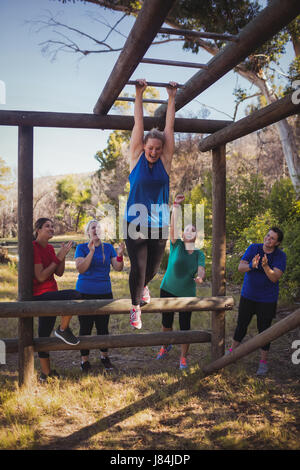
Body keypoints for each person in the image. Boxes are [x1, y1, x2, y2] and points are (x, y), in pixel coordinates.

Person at [124, 78, 178, 330]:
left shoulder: (165, 162)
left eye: (158, 148)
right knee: (139, 265)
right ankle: (135, 308)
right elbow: (138, 123)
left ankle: (143, 287)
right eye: (151, 147)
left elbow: (169, 129)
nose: (154, 151)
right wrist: (138, 93)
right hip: (135, 221)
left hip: (159, 223)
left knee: (154, 268)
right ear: (144, 146)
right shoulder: (136, 158)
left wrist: (171, 97)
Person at [156, 194, 206, 370]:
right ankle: (165, 346)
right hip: (168, 289)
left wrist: (200, 276)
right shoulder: (176, 244)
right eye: (187, 230)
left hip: (187, 295)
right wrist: (176, 206)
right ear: (183, 234)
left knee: (185, 327)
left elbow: (201, 268)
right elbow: (173, 227)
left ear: (196, 235)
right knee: (166, 323)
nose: (189, 232)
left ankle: (183, 357)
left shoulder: (199, 254)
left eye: (193, 230)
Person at [228, 227, 286, 376]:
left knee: (264, 330)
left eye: (272, 238)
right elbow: (241, 267)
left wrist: (265, 266)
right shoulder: (254, 248)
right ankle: (231, 354)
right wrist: (252, 266)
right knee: (241, 324)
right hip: (248, 295)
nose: (268, 239)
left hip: (267, 299)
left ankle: (263, 362)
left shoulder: (280, 256)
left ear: (277, 242)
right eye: (268, 236)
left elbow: (274, 277)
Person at [33, 218, 81, 383]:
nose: (51, 228)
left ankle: (45, 374)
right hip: (39, 296)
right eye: (48, 226)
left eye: (53, 226)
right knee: (75, 295)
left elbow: (59, 273)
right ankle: (62, 329)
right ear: (38, 229)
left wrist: (62, 256)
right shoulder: (33, 247)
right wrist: (57, 257)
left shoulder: (50, 249)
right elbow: (40, 277)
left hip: (52, 293)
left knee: (43, 335)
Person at [75, 219, 125, 372]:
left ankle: (105, 357)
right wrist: (91, 252)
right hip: (84, 292)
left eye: (98, 227)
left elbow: (118, 268)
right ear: (88, 232)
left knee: (103, 327)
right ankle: (84, 360)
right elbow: (81, 269)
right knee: (85, 327)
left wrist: (120, 255)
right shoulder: (81, 248)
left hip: (104, 293)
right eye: (93, 227)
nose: (96, 230)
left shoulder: (108, 248)